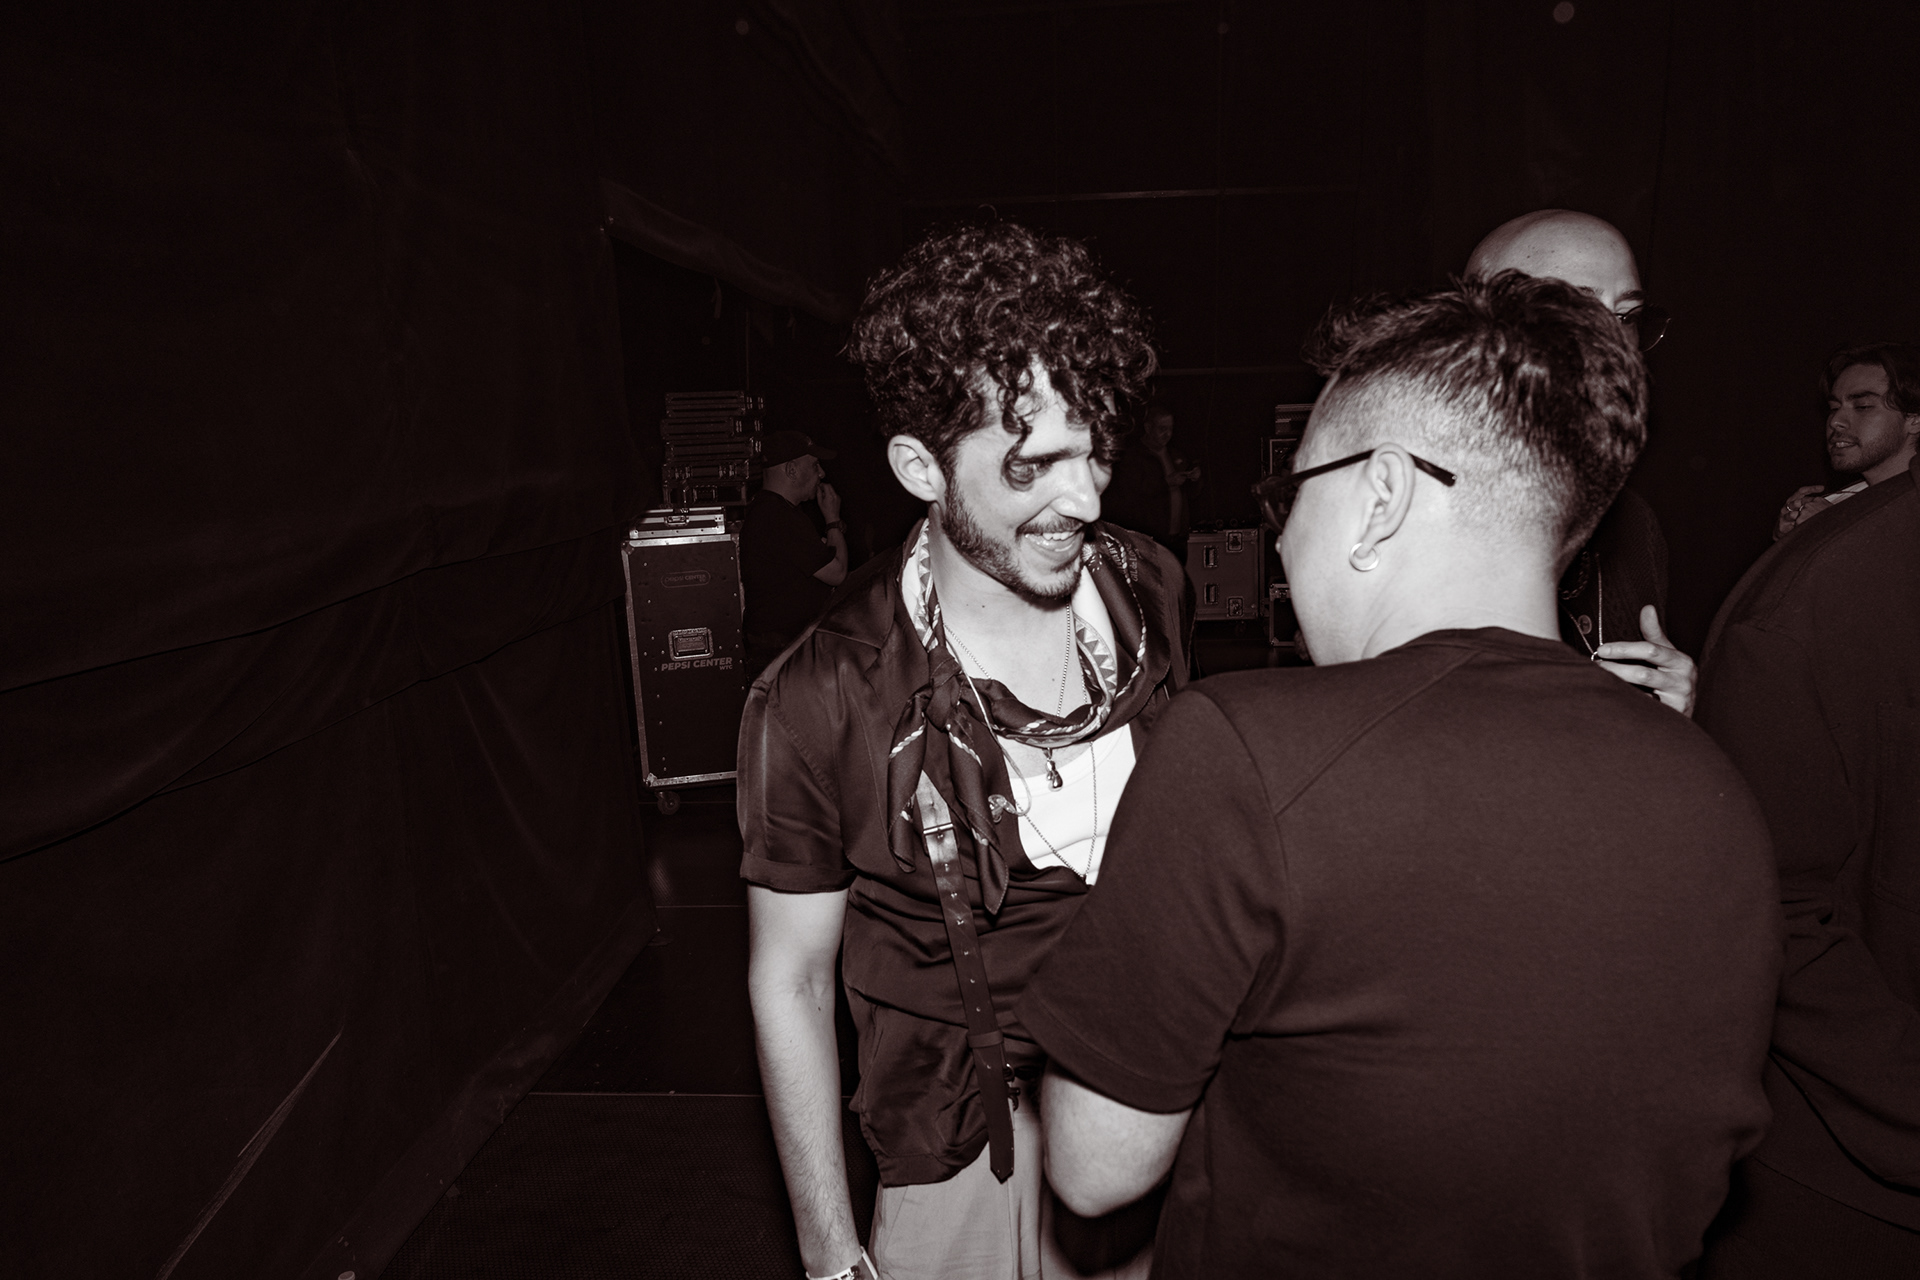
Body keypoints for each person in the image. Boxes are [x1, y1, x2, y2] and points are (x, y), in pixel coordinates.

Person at [1018, 272, 1782, 1277]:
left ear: (1379, 498)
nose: (1284, 536)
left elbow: (1094, 1167)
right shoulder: (1715, 789)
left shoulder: (1245, 750)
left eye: (1291, 494)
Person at [739, 221, 1189, 1280]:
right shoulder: (820, 697)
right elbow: (791, 979)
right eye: (1033, 466)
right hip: (957, 1132)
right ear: (920, 468)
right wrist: (827, 1250)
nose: (1085, 499)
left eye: (1094, 450)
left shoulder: (1149, 589)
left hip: (1146, 1099)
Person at [1694, 383, 1920, 1271]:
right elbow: (1776, 912)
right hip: (1855, 1189)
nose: (1838, 421)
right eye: (1838, 404)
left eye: (1863, 404)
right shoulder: (1822, 594)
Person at [1467, 208, 1697, 714]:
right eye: (1578, 310)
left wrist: (1663, 723)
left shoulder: (1633, 526)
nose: (1616, 346)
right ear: (1479, 323)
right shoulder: (1411, 506)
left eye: (1627, 317)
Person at [1773, 342, 1920, 540]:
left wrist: (1834, 529)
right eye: (1834, 408)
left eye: (1862, 406)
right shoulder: (1839, 502)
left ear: (1914, 419)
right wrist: (1788, 543)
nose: (1835, 421)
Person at [740, 430, 847, 675]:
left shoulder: (777, 512)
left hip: (781, 646)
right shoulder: (776, 517)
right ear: (791, 470)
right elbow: (837, 572)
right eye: (815, 465)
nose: (822, 473)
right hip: (780, 649)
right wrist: (832, 519)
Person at [1099, 402, 1201, 567]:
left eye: (1170, 429)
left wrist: (1194, 479)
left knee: (1178, 581)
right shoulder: (1133, 457)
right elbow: (1130, 494)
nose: (1168, 434)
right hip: (1149, 541)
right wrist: (1166, 483)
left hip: (1177, 540)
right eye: (1162, 429)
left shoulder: (1176, 455)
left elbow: (1192, 495)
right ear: (1148, 427)